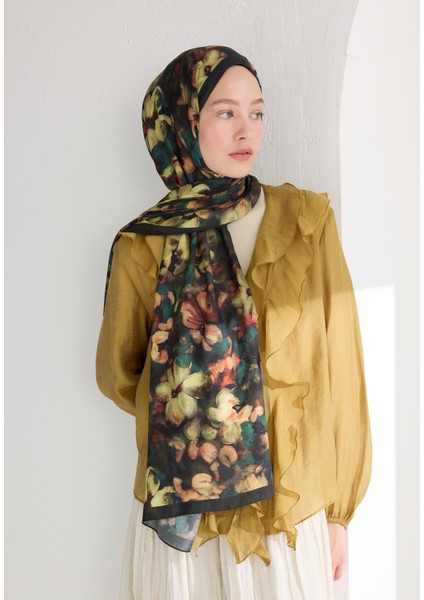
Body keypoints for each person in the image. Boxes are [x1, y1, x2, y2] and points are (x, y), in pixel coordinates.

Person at [96, 45, 372, 600]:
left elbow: (340, 367)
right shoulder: (141, 245)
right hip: (182, 521)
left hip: (288, 511)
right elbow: (119, 375)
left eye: (257, 111)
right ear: (185, 123)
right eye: (226, 112)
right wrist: (200, 419)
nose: (247, 129)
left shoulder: (306, 221)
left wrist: (338, 514)